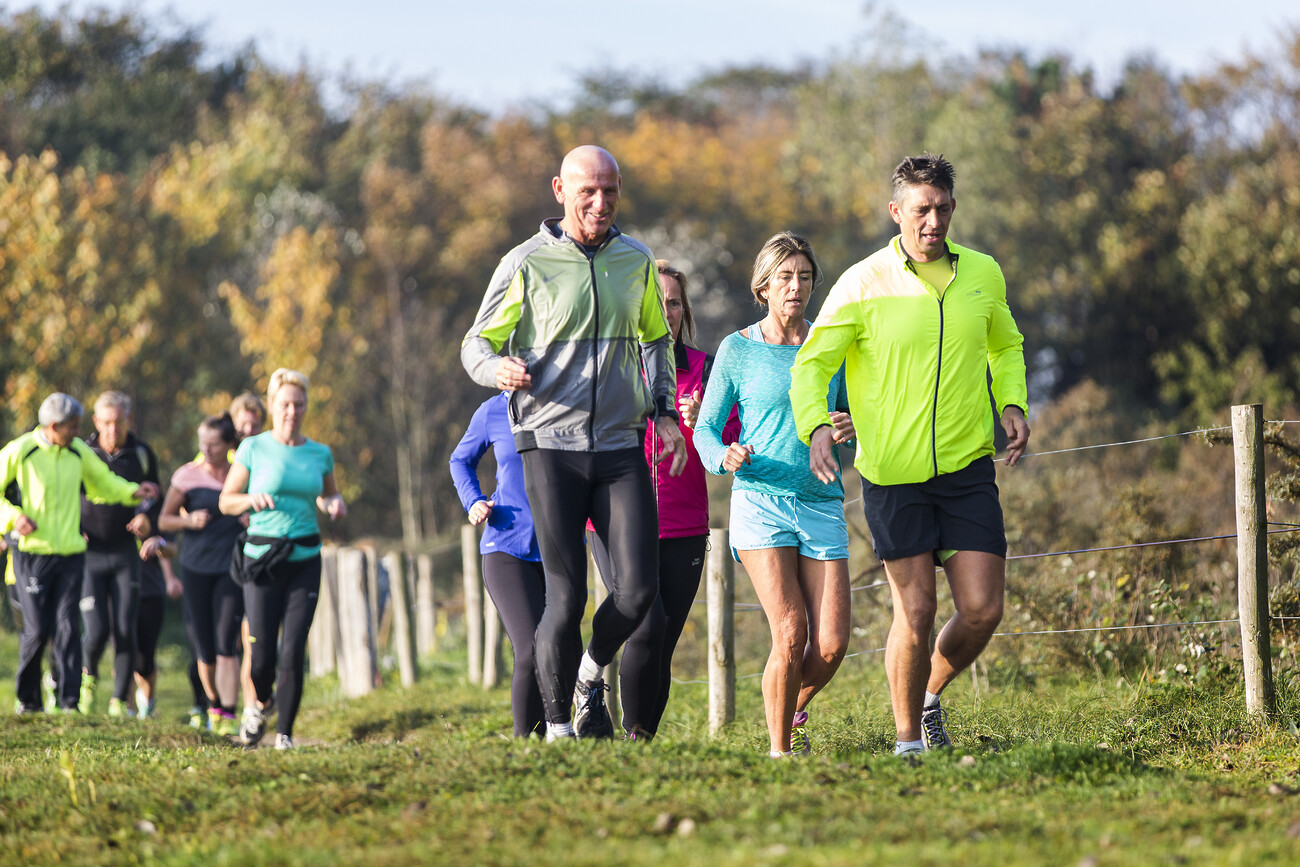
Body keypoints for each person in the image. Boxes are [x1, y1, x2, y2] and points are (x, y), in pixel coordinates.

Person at [789, 153, 1030, 758]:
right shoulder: (863, 281)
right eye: (921, 210)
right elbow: (813, 364)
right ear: (896, 211)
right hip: (893, 475)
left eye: (943, 209)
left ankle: (926, 700)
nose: (933, 221)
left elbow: (1005, 345)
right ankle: (907, 745)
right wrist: (816, 423)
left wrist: (1013, 405)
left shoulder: (983, 274)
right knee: (916, 609)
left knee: (982, 608)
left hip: (968, 467)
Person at [461, 145, 687, 742]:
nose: (600, 202)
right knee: (564, 599)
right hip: (549, 444)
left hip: (618, 444)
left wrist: (662, 410)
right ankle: (558, 729)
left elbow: (656, 340)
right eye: (588, 191)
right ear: (560, 190)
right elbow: (475, 345)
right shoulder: (527, 262)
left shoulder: (636, 259)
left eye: (610, 191)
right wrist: (496, 371)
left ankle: (590, 674)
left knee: (638, 592)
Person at [695, 232, 853, 758]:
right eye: (786, 277)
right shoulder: (738, 350)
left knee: (830, 645)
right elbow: (706, 430)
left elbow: (856, 414)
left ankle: (791, 707)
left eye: (805, 277)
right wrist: (725, 455)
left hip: (822, 500)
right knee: (790, 632)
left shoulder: (828, 346)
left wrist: (852, 424)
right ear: (764, 286)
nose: (796, 287)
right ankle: (780, 753)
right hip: (760, 499)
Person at [588, 260, 740, 740]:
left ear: (684, 310)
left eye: (674, 302)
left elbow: (734, 439)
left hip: (684, 523)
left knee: (662, 642)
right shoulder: (609, 369)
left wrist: (704, 425)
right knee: (645, 624)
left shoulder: (704, 370)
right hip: (614, 519)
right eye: (655, 301)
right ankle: (600, 701)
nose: (666, 311)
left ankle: (642, 743)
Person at [0, 393, 159, 713]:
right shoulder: (21, 451)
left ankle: (70, 701)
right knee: (38, 630)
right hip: (33, 554)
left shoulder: (78, 452)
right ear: (54, 425)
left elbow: (103, 483)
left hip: (72, 553)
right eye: (72, 427)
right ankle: (28, 701)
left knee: (70, 628)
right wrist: (13, 517)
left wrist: (132, 493)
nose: (78, 432)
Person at [220, 368, 346, 749]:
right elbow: (226, 500)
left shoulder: (320, 453)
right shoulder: (253, 448)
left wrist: (333, 503)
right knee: (261, 658)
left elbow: (327, 494)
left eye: (299, 404)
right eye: (285, 404)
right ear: (273, 406)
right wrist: (249, 499)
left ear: (306, 407)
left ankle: (285, 736)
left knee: (292, 650)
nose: (292, 411)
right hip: (262, 559)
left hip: (305, 558)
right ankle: (261, 703)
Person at [449, 393, 545, 738]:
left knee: (560, 649)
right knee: (531, 647)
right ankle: (525, 742)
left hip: (559, 551)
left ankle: (558, 736)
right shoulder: (495, 409)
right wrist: (473, 501)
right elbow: (460, 460)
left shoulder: (572, 403)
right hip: (506, 547)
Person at [78, 391, 162, 716]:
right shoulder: (82, 453)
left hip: (126, 553)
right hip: (90, 553)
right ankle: (88, 681)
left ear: (129, 420)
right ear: (96, 422)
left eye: (119, 422)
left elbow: (155, 495)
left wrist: (146, 517)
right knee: (97, 630)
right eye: (107, 423)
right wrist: (74, 527)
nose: (113, 429)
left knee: (125, 628)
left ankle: (118, 702)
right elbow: (67, 493)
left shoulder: (141, 454)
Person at [161, 413, 245, 735]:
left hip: (230, 570)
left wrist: (248, 518)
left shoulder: (240, 477)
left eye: (213, 445)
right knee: (204, 647)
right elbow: (165, 520)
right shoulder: (187, 476)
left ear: (227, 445)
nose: (206, 450)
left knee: (227, 642)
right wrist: (188, 521)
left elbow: (251, 506)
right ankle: (213, 703)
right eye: (202, 444)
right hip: (195, 569)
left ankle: (227, 714)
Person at [133, 534, 182, 718]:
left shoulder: (154, 509)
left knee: (144, 659)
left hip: (151, 588)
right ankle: (126, 708)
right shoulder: (114, 507)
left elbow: (168, 549)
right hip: (118, 586)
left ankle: (147, 702)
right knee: (123, 651)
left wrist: (169, 578)